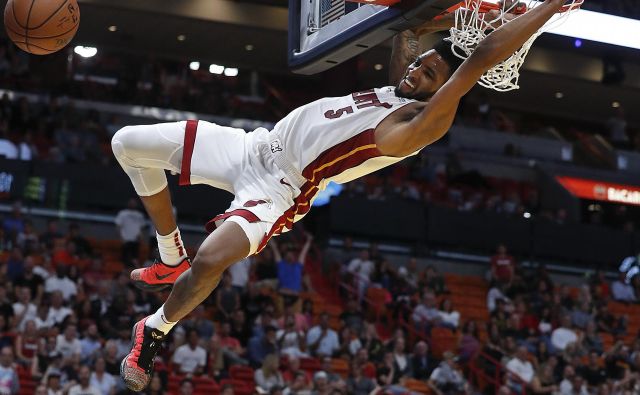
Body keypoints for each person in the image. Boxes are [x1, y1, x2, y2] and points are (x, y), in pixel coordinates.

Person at [116, 0, 570, 389]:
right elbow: (407, 32)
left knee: (213, 259)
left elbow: (478, 61)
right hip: (252, 145)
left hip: (281, 189)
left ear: (442, 93)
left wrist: (548, 6)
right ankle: (169, 253)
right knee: (127, 145)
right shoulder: (398, 87)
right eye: (419, 63)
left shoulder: (419, 125)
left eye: (429, 71)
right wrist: (447, 17)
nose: (416, 68)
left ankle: (154, 329)